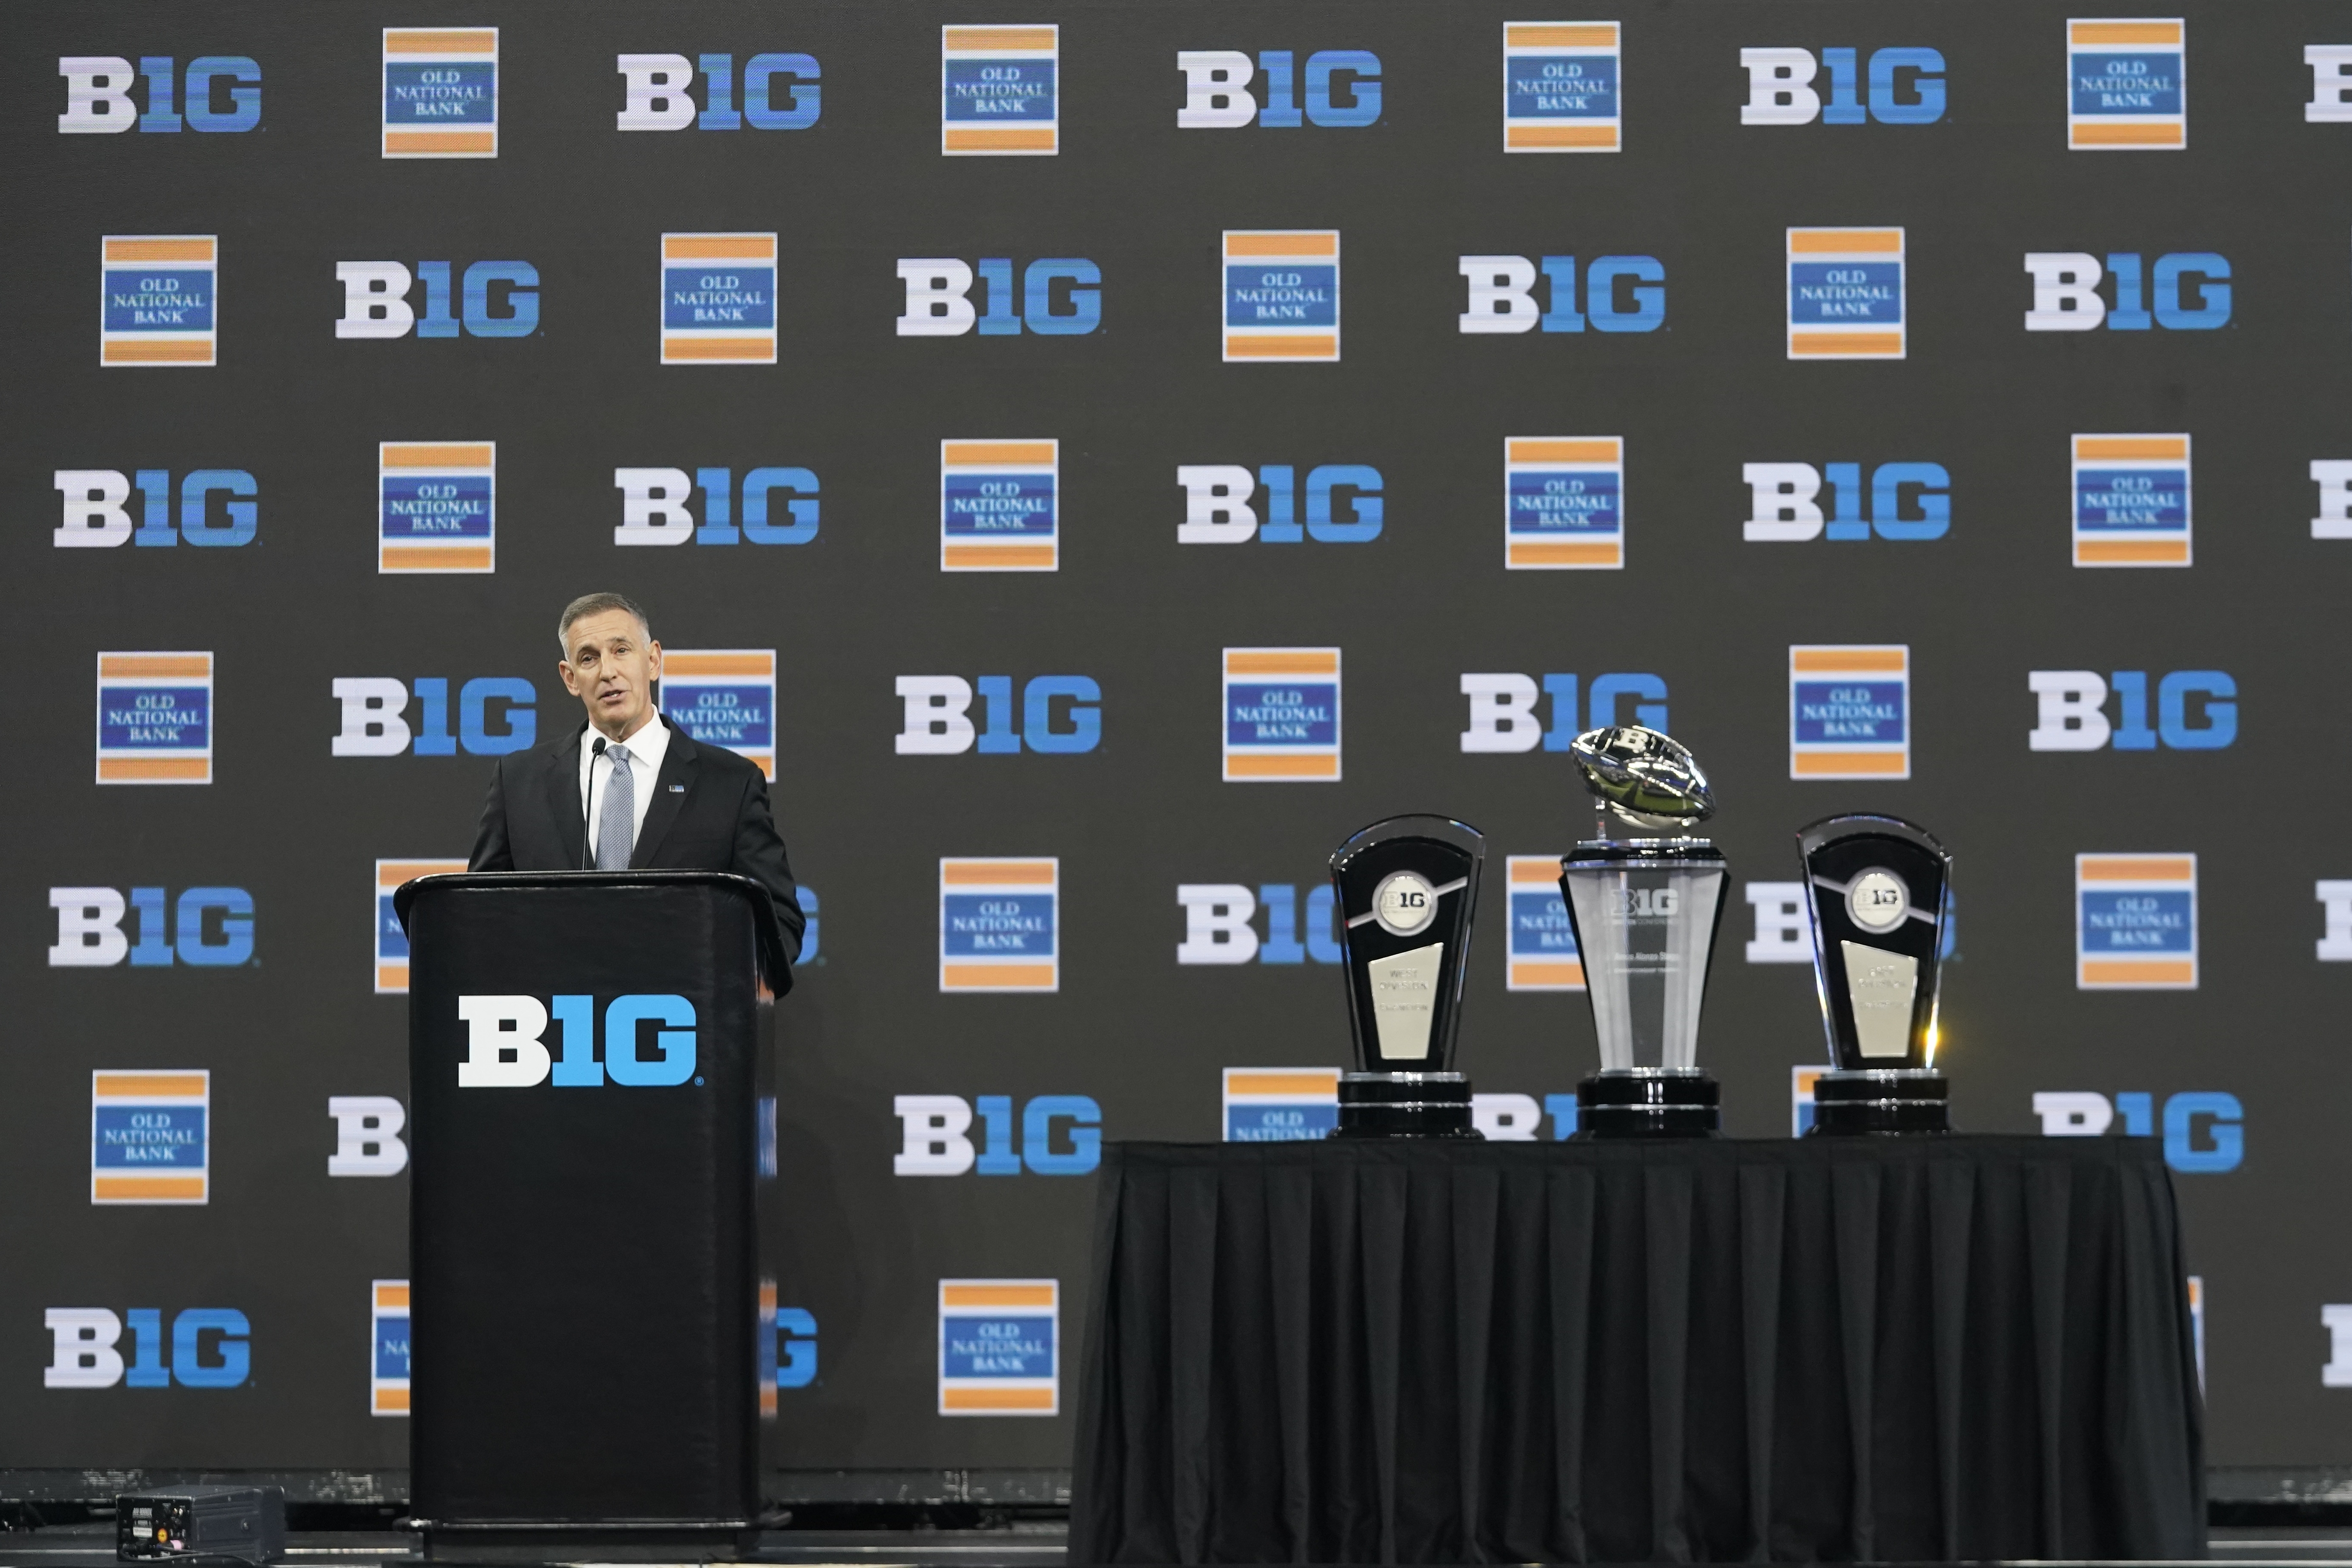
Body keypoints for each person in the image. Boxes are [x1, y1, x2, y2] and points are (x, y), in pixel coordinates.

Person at [469, 591, 804, 982]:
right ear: (570, 678)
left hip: (683, 1023)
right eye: (589, 658)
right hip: (552, 1024)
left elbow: (780, 924)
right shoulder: (519, 781)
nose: (607, 671)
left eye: (622, 650)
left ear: (653, 660)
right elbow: (477, 916)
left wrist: (711, 976)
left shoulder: (730, 783)